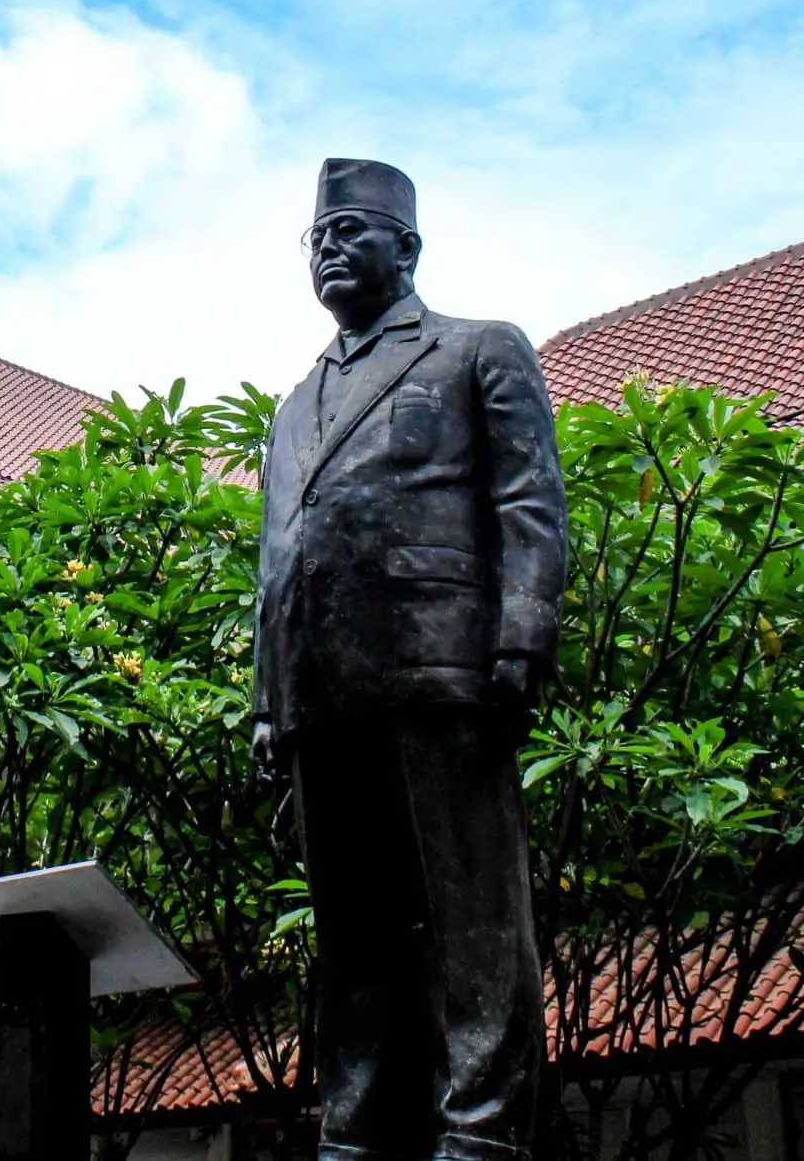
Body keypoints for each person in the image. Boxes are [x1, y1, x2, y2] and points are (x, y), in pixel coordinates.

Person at [254, 158, 567, 1161]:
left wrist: (521, 637)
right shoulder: (292, 407)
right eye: (317, 237)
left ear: (407, 247)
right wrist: (266, 700)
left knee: (476, 918)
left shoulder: (477, 348)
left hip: (444, 670)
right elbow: (276, 561)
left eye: (349, 230)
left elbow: (528, 503)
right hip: (318, 693)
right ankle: (355, 1133)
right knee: (353, 935)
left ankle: (480, 1133)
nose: (328, 249)